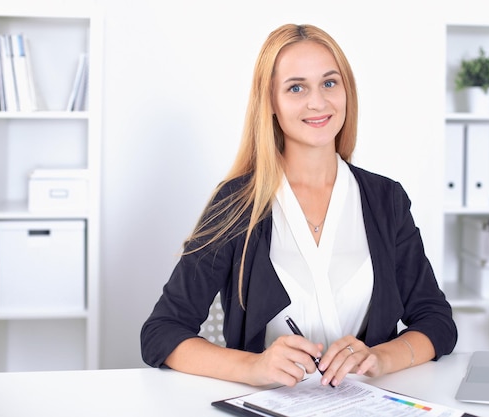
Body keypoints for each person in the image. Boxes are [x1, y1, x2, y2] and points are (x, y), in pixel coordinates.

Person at [141, 23, 457, 388]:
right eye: (296, 88)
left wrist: (381, 358)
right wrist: (254, 367)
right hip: (271, 406)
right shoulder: (237, 203)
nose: (318, 102)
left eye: (329, 83)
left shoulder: (386, 199)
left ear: (346, 91)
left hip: (368, 405)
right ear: (271, 102)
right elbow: (161, 332)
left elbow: (436, 321)